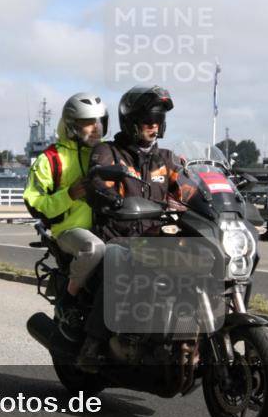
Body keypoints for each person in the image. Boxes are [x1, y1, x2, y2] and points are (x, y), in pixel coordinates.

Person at [78, 85, 183, 370]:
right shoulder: (108, 152)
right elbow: (96, 182)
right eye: (148, 120)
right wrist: (110, 199)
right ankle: (93, 343)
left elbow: (188, 189)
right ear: (131, 122)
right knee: (120, 263)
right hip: (119, 237)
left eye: (158, 120)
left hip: (155, 239)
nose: (154, 126)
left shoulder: (169, 159)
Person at [23, 92, 110, 317]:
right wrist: (69, 194)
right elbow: (36, 203)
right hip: (70, 230)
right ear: (72, 125)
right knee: (94, 248)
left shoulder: (106, 153)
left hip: (107, 227)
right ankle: (67, 299)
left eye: (99, 121)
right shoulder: (50, 159)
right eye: (88, 122)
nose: (96, 127)